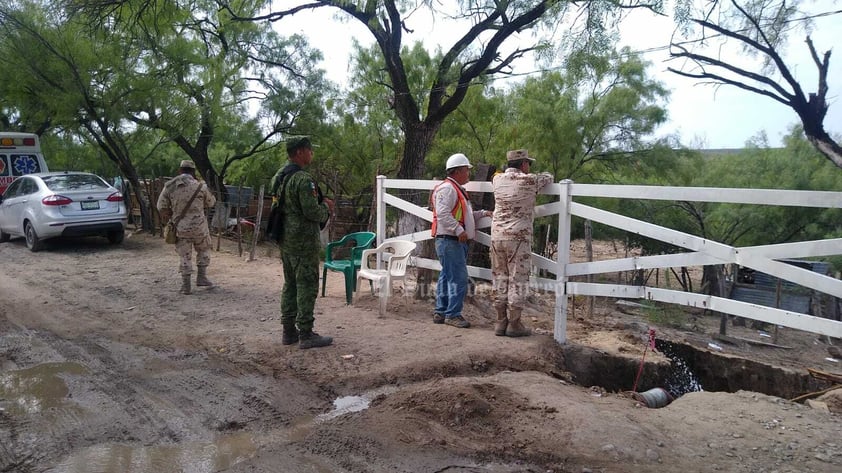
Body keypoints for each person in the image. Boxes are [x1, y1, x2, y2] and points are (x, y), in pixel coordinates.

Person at [271, 136, 335, 349]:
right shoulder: (302, 180)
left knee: (290, 284)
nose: (311, 154)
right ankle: (306, 334)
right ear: (299, 152)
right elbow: (312, 212)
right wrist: (327, 207)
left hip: (286, 240)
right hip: (303, 242)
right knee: (307, 285)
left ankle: (288, 331)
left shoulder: (279, 176)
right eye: (309, 150)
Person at [491, 149, 553, 336]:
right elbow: (548, 177)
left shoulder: (497, 180)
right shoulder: (530, 180)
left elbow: (495, 177)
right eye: (528, 164)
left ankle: (500, 322)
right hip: (518, 237)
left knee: (499, 277)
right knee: (517, 280)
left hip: (496, 236)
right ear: (524, 164)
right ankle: (514, 324)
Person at [430, 153, 491, 328]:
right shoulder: (448, 189)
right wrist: (459, 230)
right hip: (450, 240)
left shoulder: (455, 189)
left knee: (446, 276)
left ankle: (441, 311)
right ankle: (453, 314)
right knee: (459, 278)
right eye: (466, 170)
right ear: (457, 171)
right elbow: (442, 213)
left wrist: (483, 213)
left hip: (451, 240)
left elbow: (465, 215)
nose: (468, 174)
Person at [157, 159, 217, 295]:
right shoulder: (201, 186)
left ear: (180, 171)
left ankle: (186, 286)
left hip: (181, 228)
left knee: (184, 256)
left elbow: (161, 207)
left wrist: (172, 214)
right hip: (200, 228)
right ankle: (201, 278)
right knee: (204, 250)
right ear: (193, 172)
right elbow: (211, 203)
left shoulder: (170, 186)